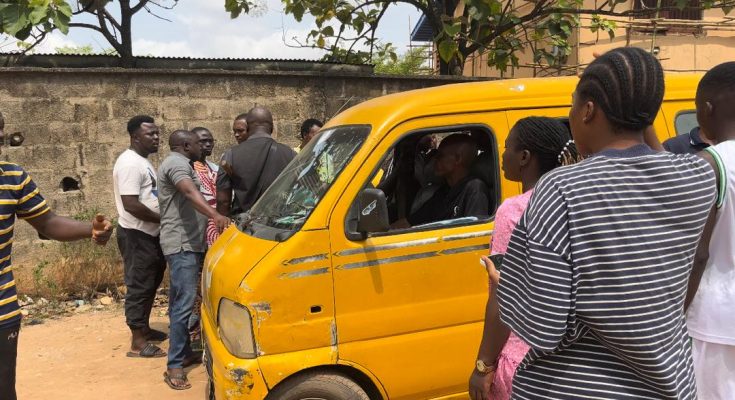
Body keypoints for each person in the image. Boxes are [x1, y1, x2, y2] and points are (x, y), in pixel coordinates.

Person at [493, 47, 714, 399]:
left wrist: (509, 283)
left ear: (588, 110)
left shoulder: (561, 188)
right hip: (671, 384)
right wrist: (640, 116)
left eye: (572, 104)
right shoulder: (697, 177)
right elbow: (657, 160)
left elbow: (544, 329)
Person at [0, 110, 113, 400]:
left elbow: (47, 223)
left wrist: (90, 229)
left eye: (0, 133)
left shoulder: (12, 178)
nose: (1, 139)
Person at [469, 117, 580, 400]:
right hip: (567, 361)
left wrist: (483, 365)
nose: (502, 155)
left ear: (524, 157)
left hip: (521, 363)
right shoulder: (575, 200)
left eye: (507, 147)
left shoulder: (514, 210)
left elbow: (503, 293)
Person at [157, 130, 230, 390]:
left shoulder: (183, 163)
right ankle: (174, 366)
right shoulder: (176, 163)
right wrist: (215, 215)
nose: (203, 147)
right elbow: (188, 192)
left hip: (189, 244)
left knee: (183, 301)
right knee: (183, 304)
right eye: (199, 143)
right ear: (187, 145)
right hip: (181, 245)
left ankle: (184, 352)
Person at [685, 61, 735, 399]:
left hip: (714, 319)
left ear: (707, 108)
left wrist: (675, 312)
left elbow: (698, 253)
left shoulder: (711, 163)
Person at [113, 115, 168, 359]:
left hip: (149, 233)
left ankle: (144, 329)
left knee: (150, 282)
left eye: (157, 133)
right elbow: (131, 205)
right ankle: (137, 342)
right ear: (135, 137)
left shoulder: (142, 161)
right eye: (150, 134)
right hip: (136, 234)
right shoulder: (129, 164)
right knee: (139, 285)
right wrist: (163, 220)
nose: (156, 138)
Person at [217, 106, 297, 216]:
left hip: (243, 226)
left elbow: (223, 201)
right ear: (272, 128)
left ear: (248, 127)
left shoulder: (230, 155)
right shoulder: (291, 154)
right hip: (279, 225)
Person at [399, 134, 490, 226]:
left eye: (440, 156)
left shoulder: (475, 189)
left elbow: (475, 234)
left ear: (458, 159)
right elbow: (411, 221)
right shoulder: (444, 191)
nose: (435, 160)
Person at [189, 127, 218, 351]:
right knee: (193, 288)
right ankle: (193, 336)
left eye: (209, 141)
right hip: (195, 235)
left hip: (214, 235)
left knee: (207, 286)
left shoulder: (213, 168)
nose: (206, 145)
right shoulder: (186, 170)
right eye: (202, 141)